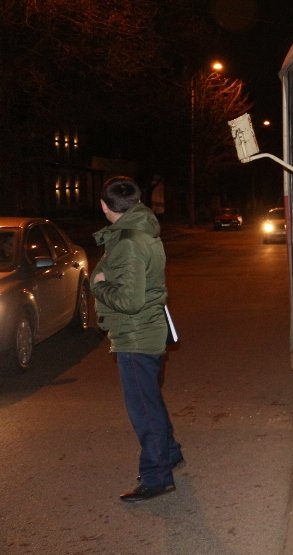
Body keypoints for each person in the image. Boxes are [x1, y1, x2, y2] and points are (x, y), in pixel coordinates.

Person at [91, 176, 183, 502]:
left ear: (104, 206)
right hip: (145, 330)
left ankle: (157, 477)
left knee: (143, 410)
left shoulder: (129, 242)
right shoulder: (141, 230)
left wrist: (100, 284)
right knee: (150, 401)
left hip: (136, 335)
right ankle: (169, 452)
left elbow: (130, 300)